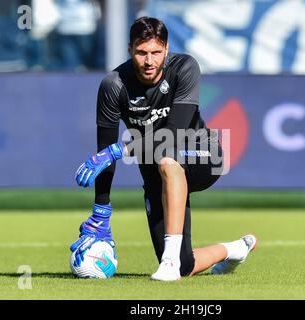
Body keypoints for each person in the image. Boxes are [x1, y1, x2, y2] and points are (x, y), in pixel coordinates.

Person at [71, 16, 257, 281]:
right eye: (141, 53)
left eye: (156, 53)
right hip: (157, 173)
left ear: (166, 50)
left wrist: (119, 151)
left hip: (202, 155)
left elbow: (172, 134)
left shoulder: (185, 67)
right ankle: (236, 249)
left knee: (168, 159)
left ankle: (167, 262)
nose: (149, 61)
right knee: (185, 266)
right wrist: (101, 208)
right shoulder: (113, 86)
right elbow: (105, 153)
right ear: (129, 50)